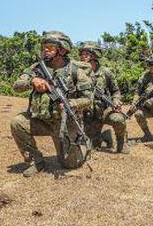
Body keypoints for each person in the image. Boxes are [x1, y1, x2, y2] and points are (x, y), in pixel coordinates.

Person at [10, 31, 93, 177]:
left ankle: (83, 146)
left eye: (50, 47)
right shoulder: (36, 68)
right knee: (17, 123)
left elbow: (88, 99)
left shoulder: (76, 71)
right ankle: (36, 161)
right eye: (44, 47)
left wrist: (72, 103)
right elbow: (17, 85)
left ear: (62, 49)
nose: (45, 50)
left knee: (70, 164)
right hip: (41, 120)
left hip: (65, 123)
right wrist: (32, 81)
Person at [79, 41, 129, 154]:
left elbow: (116, 91)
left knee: (119, 119)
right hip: (88, 115)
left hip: (105, 110)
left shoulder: (106, 72)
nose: (82, 57)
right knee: (91, 147)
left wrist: (116, 101)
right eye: (81, 54)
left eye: (86, 54)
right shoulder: (77, 73)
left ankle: (121, 143)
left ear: (95, 56)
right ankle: (105, 136)